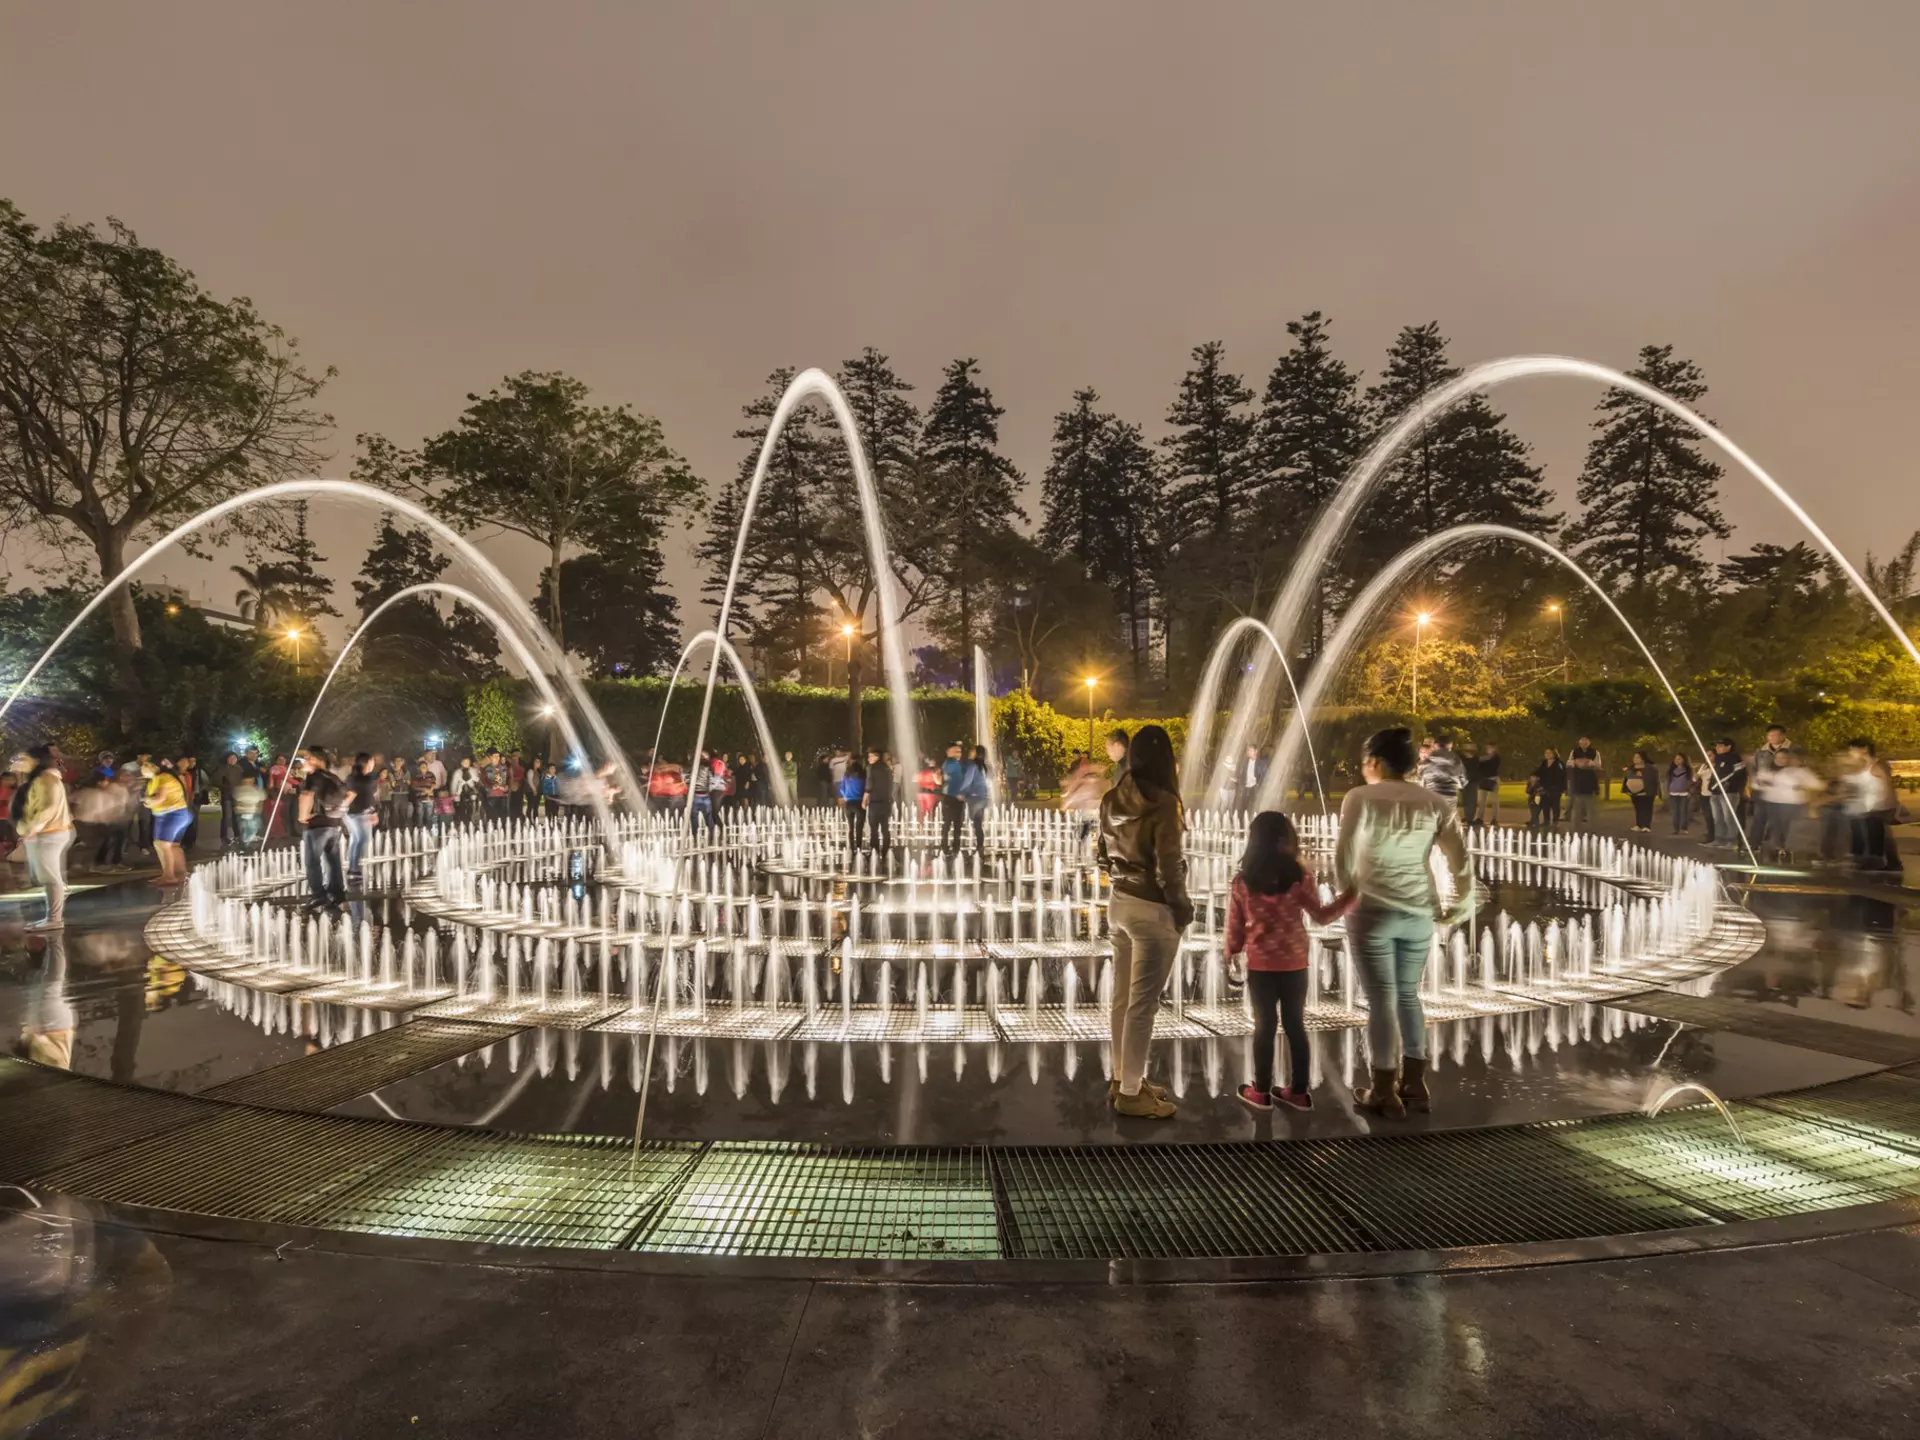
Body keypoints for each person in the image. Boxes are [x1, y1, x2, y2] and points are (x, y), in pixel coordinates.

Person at [1334, 727, 1474, 1118]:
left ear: (1374, 762)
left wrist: (1344, 893)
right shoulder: (1433, 803)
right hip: (1417, 912)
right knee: (1408, 995)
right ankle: (1414, 1083)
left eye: (1365, 762)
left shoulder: (1359, 798)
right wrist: (1458, 905)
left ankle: (1383, 1089)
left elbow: (1343, 854)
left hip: (1371, 909)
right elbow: (1459, 861)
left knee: (1380, 998)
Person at [1228, 811, 1356, 1112]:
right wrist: (1351, 896)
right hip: (1295, 963)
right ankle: (1298, 1092)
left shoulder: (1243, 882)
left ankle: (1260, 1092)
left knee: (1265, 1026)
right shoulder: (1300, 879)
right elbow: (1322, 917)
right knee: (1295, 1025)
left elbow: (1235, 926)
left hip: (1261, 965)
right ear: (1287, 840)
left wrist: (1231, 953)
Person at [1096, 724, 1192, 1119]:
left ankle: (1123, 1078)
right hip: (1153, 908)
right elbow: (1169, 866)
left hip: (1119, 903)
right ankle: (1132, 1093)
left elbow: (1100, 856)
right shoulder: (1165, 803)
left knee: (1123, 999)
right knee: (1143, 1005)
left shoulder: (1111, 798)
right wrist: (1181, 907)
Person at [11, 747, 74, 929]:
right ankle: (54, 914)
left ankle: (54, 919)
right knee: (47, 876)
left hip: (50, 833)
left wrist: (31, 829)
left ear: (37, 761)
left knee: (50, 877)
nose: (20, 762)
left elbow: (48, 808)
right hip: (48, 832)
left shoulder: (46, 779)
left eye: (24, 759)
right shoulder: (42, 779)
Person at [296, 745, 347, 908]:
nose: (305, 760)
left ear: (318, 760)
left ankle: (318, 895)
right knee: (333, 861)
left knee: (312, 861)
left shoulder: (314, 776)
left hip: (317, 825)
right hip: (334, 824)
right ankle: (337, 892)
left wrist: (302, 815)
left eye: (309, 757)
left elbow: (307, 795)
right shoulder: (333, 777)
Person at [140, 756, 191, 885]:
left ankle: (169, 875)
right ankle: (181, 873)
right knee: (173, 846)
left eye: (145, 766)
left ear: (153, 767)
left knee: (162, 844)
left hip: (172, 815)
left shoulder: (163, 778)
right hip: (175, 814)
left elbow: (158, 798)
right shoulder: (154, 781)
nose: (142, 768)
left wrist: (146, 801)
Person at [344, 752, 380, 886]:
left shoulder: (352, 778)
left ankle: (354, 868)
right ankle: (354, 869)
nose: (373, 765)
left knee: (356, 840)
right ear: (366, 763)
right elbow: (368, 798)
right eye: (372, 762)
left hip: (353, 813)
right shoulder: (364, 779)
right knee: (362, 840)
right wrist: (372, 812)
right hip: (357, 813)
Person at [1709, 739, 1747, 850]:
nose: (1717, 748)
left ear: (1728, 747)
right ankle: (1719, 839)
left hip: (1729, 793)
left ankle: (1732, 841)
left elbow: (1740, 775)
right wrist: (1711, 787)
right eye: (1716, 746)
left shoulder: (1735, 759)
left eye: (1720, 746)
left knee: (1729, 817)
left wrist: (1729, 784)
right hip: (1715, 792)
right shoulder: (1718, 759)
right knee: (1717, 818)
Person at [1417, 732, 1466, 804]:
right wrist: (1459, 786)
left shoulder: (1428, 759)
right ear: (1450, 745)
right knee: (1448, 814)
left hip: (1432, 794)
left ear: (1435, 745)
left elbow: (1420, 778)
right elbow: (1463, 778)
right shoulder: (1456, 759)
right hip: (1450, 795)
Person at [216, 750, 251, 849]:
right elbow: (216, 781)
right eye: (230, 758)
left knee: (237, 816)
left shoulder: (239, 769)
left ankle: (238, 835)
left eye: (234, 758)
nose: (232, 760)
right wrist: (226, 787)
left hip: (238, 796)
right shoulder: (222, 769)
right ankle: (224, 836)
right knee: (227, 817)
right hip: (227, 795)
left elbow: (244, 781)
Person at [863, 748, 895, 856]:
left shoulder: (871, 768)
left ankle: (875, 851)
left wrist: (864, 800)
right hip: (886, 802)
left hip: (875, 802)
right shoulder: (887, 768)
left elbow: (869, 785)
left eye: (870, 757)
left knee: (874, 829)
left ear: (876, 757)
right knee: (885, 828)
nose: (868, 759)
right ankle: (886, 851)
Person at [1566, 736, 1602, 829]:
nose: (1583, 744)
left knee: (1591, 808)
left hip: (1590, 781)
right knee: (1576, 808)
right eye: (1582, 742)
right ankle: (1575, 829)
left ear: (1589, 742)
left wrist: (1590, 763)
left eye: (1586, 742)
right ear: (1579, 742)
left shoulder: (1595, 752)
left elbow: (1599, 765)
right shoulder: (1574, 752)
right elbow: (1569, 763)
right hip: (1578, 781)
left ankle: (1592, 829)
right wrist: (1576, 762)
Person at [939, 742, 967, 852]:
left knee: (951, 823)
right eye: (956, 751)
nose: (958, 753)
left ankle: (948, 846)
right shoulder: (951, 764)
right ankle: (952, 847)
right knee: (953, 823)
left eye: (959, 751)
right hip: (953, 798)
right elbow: (952, 780)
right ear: (948, 752)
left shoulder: (951, 763)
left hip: (951, 797)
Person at [1528, 748, 1566, 830]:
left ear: (1554, 754)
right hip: (1545, 787)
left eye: (1549, 753)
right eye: (1546, 753)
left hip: (1556, 788)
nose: (1547, 754)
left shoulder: (1559, 763)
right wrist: (1533, 775)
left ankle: (1555, 821)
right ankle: (1546, 821)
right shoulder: (1544, 763)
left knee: (1555, 805)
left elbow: (1563, 775)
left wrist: (1563, 787)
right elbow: (1539, 771)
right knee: (1545, 804)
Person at [231, 763, 266, 851]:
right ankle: (245, 845)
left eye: (250, 780)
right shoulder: (238, 789)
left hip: (253, 813)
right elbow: (236, 800)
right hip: (243, 813)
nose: (248, 782)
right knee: (244, 829)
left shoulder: (256, 789)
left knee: (252, 828)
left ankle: (248, 845)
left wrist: (259, 809)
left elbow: (261, 800)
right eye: (246, 780)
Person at [963, 744, 993, 848]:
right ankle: (980, 845)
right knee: (978, 822)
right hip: (983, 798)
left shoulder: (973, 766)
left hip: (975, 798)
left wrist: (962, 793)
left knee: (976, 822)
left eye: (973, 751)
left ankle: (979, 846)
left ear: (976, 754)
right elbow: (988, 782)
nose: (970, 753)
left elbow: (967, 781)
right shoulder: (984, 766)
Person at [838, 756, 867, 850]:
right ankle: (858, 846)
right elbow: (867, 789)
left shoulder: (846, 776)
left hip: (849, 803)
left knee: (851, 827)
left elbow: (841, 788)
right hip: (860, 803)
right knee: (859, 827)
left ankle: (851, 846)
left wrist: (845, 796)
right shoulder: (863, 776)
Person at [1621, 752, 1655, 832]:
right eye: (1634, 757)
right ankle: (1639, 824)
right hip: (1634, 792)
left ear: (1643, 759)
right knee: (1638, 808)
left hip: (1646, 792)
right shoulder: (1631, 768)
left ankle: (1646, 825)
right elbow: (1627, 778)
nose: (1635, 759)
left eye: (1638, 757)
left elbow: (1653, 779)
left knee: (1646, 808)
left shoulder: (1650, 768)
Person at [1665, 753, 1694, 834]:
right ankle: (1675, 828)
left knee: (1683, 810)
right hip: (1673, 792)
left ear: (1683, 760)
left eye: (1679, 759)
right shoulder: (1671, 770)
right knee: (1675, 811)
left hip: (1684, 793)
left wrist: (1690, 791)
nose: (1677, 761)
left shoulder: (1687, 770)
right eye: (1676, 759)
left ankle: (1684, 827)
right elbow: (1668, 781)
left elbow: (1691, 781)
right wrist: (1667, 791)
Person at [1475, 744, 1502, 827]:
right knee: (1482, 801)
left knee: (1494, 800)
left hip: (1493, 779)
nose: (1489, 749)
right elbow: (1478, 766)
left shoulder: (1496, 757)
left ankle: (1495, 818)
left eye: (1491, 748)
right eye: (1487, 748)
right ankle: (1479, 818)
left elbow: (1493, 766)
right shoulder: (1484, 758)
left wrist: (1484, 759)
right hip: (1484, 779)